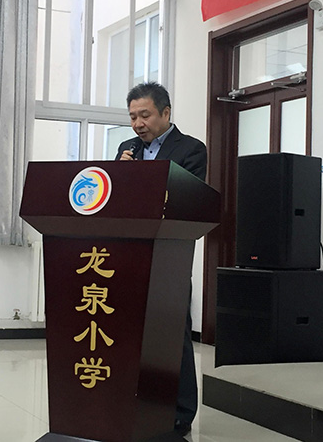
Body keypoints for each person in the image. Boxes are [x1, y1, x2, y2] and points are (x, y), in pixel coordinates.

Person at [115, 81, 206, 436]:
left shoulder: (191, 149)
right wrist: (120, 175)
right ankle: (135, 401)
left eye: (145, 115)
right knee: (131, 332)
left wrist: (139, 178)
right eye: (132, 117)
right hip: (131, 253)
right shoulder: (126, 149)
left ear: (166, 113)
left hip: (170, 253)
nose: (138, 124)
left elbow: (188, 198)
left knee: (172, 333)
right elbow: (117, 200)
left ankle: (180, 411)